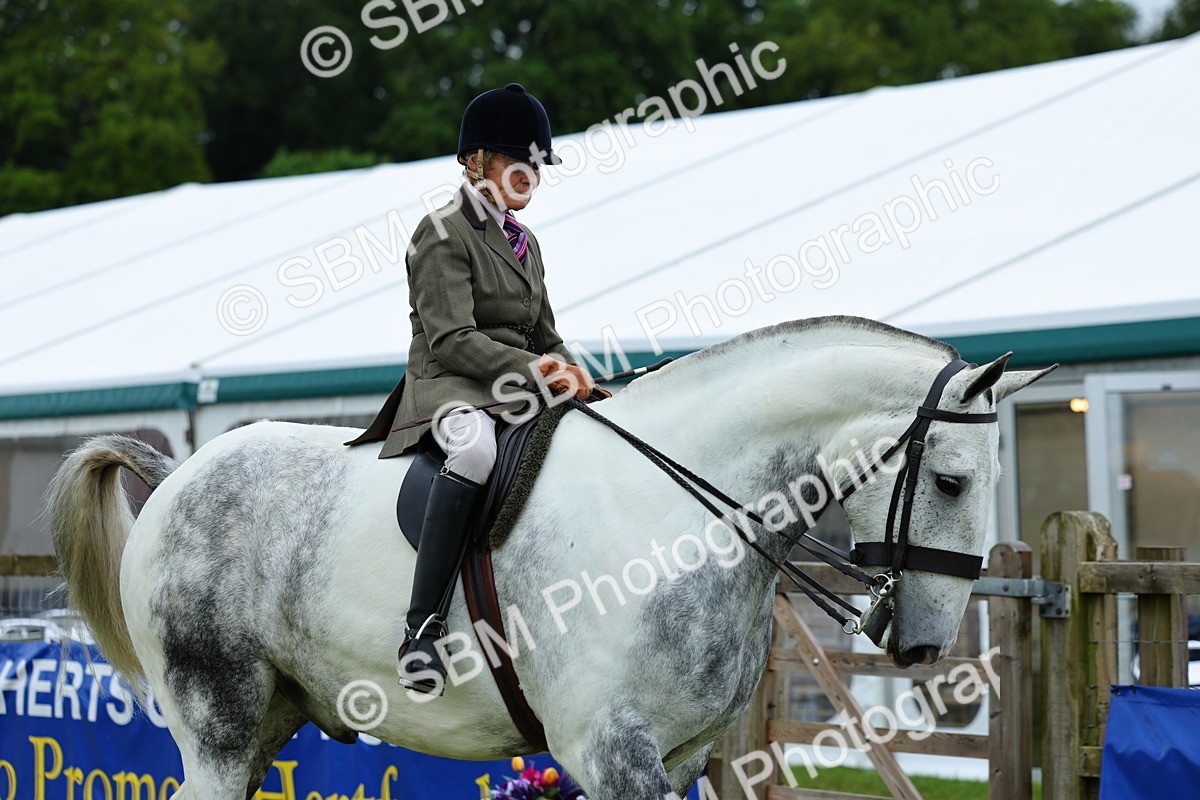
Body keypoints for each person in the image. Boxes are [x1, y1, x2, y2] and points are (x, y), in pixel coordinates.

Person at [346, 83, 601, 696]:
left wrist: (578, 374)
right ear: (476, 161)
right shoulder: (441, 233)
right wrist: (542, 372)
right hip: (450, 387)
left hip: (515, 385)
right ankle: (421, 630)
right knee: (477, 450)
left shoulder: (526, 243)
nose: (530, 177)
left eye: (536, 165)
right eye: (517, 162)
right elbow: (453, 339)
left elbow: (546, 335)